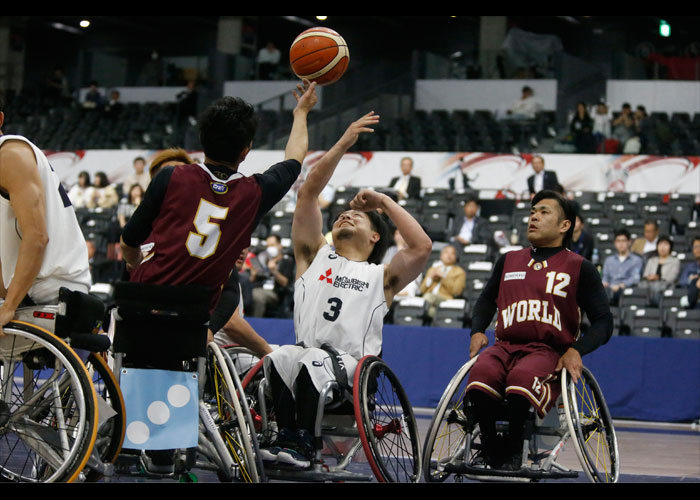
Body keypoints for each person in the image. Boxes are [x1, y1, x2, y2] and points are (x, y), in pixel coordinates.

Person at [260, 111, 432, 468]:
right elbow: (308, 193)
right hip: (307, 360)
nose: (345, 216)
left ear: (374, 236)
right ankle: (285, 437)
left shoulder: (381, 277)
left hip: (352, 372)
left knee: (310, 359)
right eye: (341, 215)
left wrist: (383, 203)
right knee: (280, 355)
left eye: (357, 217)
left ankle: (305, 446)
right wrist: (343, 143)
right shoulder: (312, 256)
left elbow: (421, 248)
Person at [120, 80, 318, 321]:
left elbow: (129, 242)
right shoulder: (256, 193)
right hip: (194, 317)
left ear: (201, 138)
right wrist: (301, 113)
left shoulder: (170, 176)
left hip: (144, 306)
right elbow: (295, 159)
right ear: (246, 149)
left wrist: (135, 263)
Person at [465, 189, 613, 470]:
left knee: (522, 377)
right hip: (504, 345)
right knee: (481, 374)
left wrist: (575, 350)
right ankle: (492, 447)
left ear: (564, 225)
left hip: (546, 351)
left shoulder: (579, 267)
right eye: (532, 212)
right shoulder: (508, 260)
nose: (534, 216)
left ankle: (511, 451)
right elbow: (486, 299)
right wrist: (477, 329)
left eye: (544, 212)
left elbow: (605, 322)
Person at [0, 89, 92, 336]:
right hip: (39, 286)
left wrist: (8, 307)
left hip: (51, 288)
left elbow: (37, 236)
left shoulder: (9, 155)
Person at [211, 247, 273, 359]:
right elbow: (232, 324)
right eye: (239, 245)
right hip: (218, 356)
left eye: (246, 247)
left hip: (226, 353)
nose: (243, 250)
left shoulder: (234, 280)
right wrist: (267, 351)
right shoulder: (223, 275)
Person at [250, 234, 295, 318]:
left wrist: (274, 271)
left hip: (275, 293)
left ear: (280, 246)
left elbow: (285, 283)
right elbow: (251, 281)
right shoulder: (261, 260)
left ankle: (255, 323)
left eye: (272, 245)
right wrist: (253, 275)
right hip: (258, 288)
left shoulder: (287, 261)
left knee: (257, 295)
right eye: (268, 246)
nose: (269, 248)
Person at [419, 244, 467, 319]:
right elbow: (422, 290)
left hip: (445, 299)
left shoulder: (460, 272)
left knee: (428, 297)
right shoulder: (432, 269)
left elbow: (456, 291)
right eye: (446, 252)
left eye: (452, 253)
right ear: (441, 256)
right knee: (431, 310)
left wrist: (443, 277)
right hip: (429, 301)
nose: (449, 255)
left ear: (456, 258)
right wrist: (431, 278)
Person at [601, 229, 644, 305]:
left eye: (623, 241)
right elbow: (605, 277)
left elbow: (635, 278)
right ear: (615, 243)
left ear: (629, 242)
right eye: (618, 241)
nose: (621, 244)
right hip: (610, 289)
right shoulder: (609, 260)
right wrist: (605, 283)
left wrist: (622, 285)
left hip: (626, 290)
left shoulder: (637, 260)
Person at [638, 235, 681, 305]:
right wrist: (649, 277)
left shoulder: (675, 261)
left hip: (665, 287)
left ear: (670, 247)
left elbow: (672, 278)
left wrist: (659, 277)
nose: (662, 247)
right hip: (650, 286)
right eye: (660, 244)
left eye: (666, 244)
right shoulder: (651, 260)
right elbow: (645, 275)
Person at [681, 237, 700, 309]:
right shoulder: (689, 266)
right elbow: (682, 281)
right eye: (695, 247)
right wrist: (692, 280)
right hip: (692, 297)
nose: (698, 249)